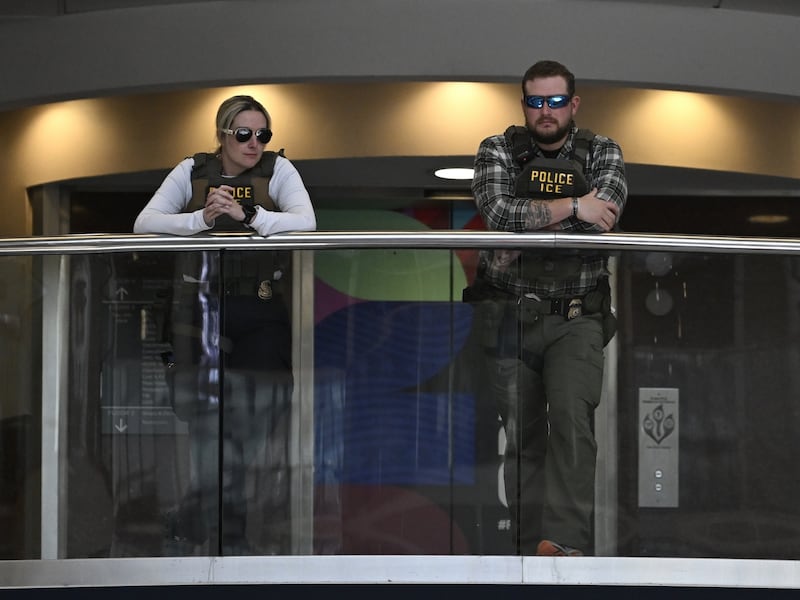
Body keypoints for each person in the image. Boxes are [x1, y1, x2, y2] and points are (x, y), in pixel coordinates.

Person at [134, 94, 316, 555]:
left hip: (259, 308)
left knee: (260, 408)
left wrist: (249, 215)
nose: (254, 143)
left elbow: (307, 224)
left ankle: (201, 512)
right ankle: (226, 532)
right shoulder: (192, 171)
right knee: (206, 422)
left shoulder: (278, 171)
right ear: (222, 134)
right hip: (200, 305)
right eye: (243, 134)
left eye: (262, 135)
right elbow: (144, 225)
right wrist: (201, 219)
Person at [468, 60, 627, 557]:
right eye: (535, 101)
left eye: (556, 101)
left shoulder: (603, 151)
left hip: (577, 316)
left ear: (573, 104)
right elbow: (496, 213)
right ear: (523, 105)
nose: (545, 111)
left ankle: (565, 546)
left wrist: (525, 227)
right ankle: (525, 548)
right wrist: (575, 206)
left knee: (573, 424)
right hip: (508, 316)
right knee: (522, 437)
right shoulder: (497, 149)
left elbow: (606, 219)